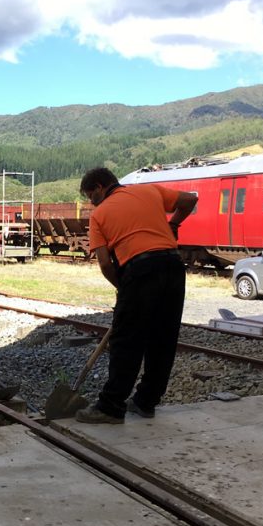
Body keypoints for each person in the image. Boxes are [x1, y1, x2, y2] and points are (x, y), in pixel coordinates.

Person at [75, 167, 198, 424]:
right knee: (163, 339)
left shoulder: (100, 215)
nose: (91, 202)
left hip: (140, 270)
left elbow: (106, 264)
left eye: (90, 195)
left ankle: (110, 407)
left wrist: (123, 286)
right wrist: (173, 224)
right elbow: (190, 200)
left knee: (126, 341)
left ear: (100, 186)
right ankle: (146, 402)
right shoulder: (149, 191)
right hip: (173, 268)